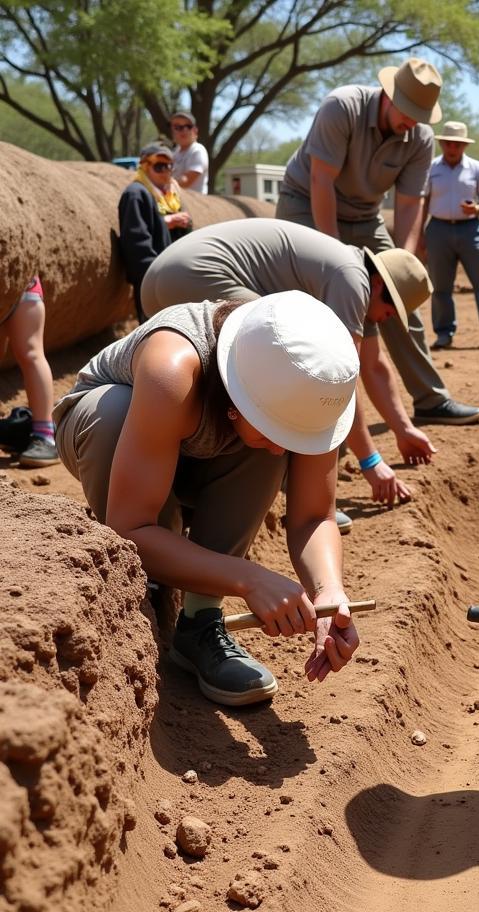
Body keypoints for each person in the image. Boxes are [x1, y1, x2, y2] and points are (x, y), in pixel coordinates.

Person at [53, 291, 362, 707]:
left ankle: (200, 622)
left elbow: (312, 517)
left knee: (264, 449)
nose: (282, 451)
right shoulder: (174, 367)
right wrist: (248, 578)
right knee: (112, 412)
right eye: (275, 431)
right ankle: (146, 594)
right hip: (114, 444)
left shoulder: (312, 385)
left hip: (199, 457)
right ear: (235, 401)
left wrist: (329, 592)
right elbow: (130, 528)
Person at [140, 218, 437, 518]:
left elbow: (373, 366)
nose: (388, 318)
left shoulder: (351, 273)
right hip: (197, 274)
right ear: (377, 284)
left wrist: (404, 430)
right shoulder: (353, 280)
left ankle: (191, 479)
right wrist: (371, 462)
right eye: (390, 308)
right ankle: (294, 494)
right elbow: (340, 380)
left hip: (158, 278)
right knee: (277, 368)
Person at [277, 57, 479, 426]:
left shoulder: (420, 139)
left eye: (419, 115)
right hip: (307, 204)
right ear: (387, 95)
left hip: (365, 215)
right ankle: (295, 404)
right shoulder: (342, 108)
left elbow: (408, 205)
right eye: (406, 111)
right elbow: (321, 184)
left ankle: (431, 400)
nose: (411, 121)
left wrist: (400, 266)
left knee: (401, 299)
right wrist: (335, 260)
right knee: (312, 302)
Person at [422, 121, 479, 350]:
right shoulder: (431, 169)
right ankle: (444, 333)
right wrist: (419, 235)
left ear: (464, 146)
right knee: (440, 285)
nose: (452, 148)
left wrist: (476, 209)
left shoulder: (477, 168)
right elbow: (422, 203)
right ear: (442, 144)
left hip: (471, 230)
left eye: (457, 144)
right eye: (448, 143)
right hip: (437, 229)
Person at [118, 143, 193, 321]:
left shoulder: (171, 196)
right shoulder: (136, 194)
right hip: (152, 280)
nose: (166, 171)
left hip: (172, 276)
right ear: (144, 167)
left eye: (169, 166)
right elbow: (136, 243)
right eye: (159, 166)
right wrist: (154, 278)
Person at [0, 275, 59, 467]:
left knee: (31, 353)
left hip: (20, 282)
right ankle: (42, 434)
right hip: (20, 281)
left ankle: (46, 436)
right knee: (31, 354)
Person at [169, 111, 210, 194]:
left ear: (195, 130)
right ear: (173, 131)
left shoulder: (198, 150)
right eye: (178, 127)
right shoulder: (175, 152)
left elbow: (186, 181)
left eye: (188, 126)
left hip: (195, 204)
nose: (184, 130)